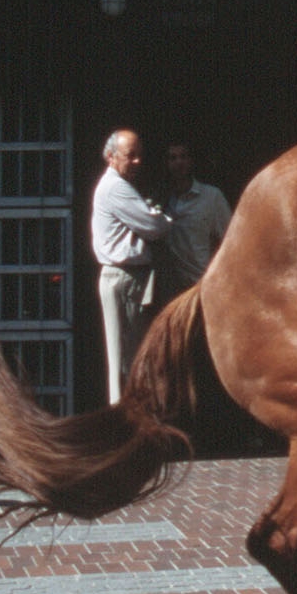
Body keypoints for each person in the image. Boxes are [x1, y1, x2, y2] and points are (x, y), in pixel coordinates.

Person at [90, 128, 169, 405]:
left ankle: (130, 421)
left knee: (129, 354)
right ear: (111, 157)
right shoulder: (116, 187)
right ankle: (125, 422)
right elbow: (154, 227)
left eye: (139, 155)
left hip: (128, 278)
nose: (137, 161)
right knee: (126, 357)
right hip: (124, 278)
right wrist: (161, 218)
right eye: (130, 156)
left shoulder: (119, 186)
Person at [159, 140, 232, 292]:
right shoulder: (160, 198)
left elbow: (230, 240)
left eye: (183, 156)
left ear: (191, 160)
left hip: (201, 285)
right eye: (173, 158)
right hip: (170, 289)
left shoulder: (211, 196)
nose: (179, 162)